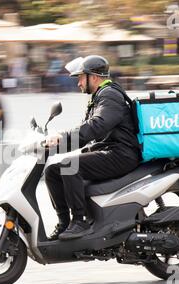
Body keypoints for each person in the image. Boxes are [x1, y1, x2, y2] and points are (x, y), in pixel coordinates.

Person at [44, 55, 141, 241]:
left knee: (68, 166)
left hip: (121, 154)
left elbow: (97, 126)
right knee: (53, 171)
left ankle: (79, 222)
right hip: (110, 150)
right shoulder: (100, 96)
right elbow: (84, 135)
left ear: (94, 77)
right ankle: (64, 223)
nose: (79, 83)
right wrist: (53, 146)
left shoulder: (110, 95)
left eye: (81, 78)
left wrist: (62, 137)